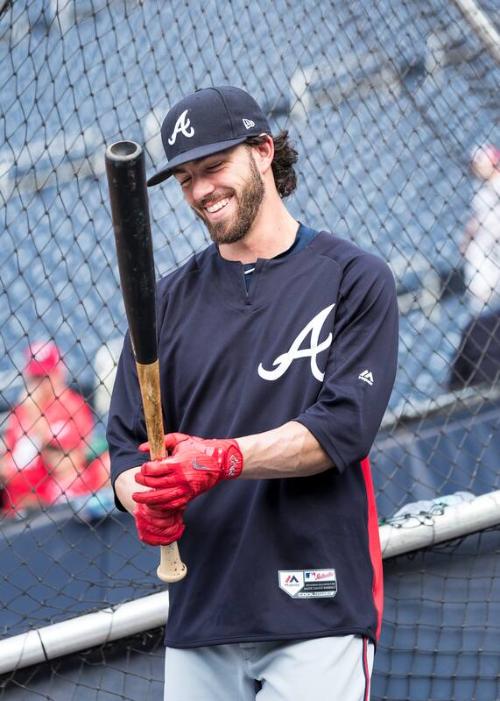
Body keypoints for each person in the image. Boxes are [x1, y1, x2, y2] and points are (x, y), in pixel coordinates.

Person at [107, 86, 399, 700]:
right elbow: (128, 453)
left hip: (315, 607)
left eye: (214, 167)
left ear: (264, 151)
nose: (200, 191)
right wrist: (145, 496)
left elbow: (342, 428)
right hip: (201, 612)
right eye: (186, 178)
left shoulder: (353, 277)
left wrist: (220, 460)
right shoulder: (162, 303)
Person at [1, 340, 95, 514]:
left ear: (58, 373)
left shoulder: (72, 406)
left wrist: (36, 417)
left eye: (45, 376)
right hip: (14, 503)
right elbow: (8, 457)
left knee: (69, 484)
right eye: (35, 377)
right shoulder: (20, 410)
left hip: (48, 503)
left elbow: (67, 465)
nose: (39, 383)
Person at [461, 143, 500, 312]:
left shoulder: (496, 185)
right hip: (485, 248)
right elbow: (477, 219)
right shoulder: (481, 188)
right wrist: (467, 239)